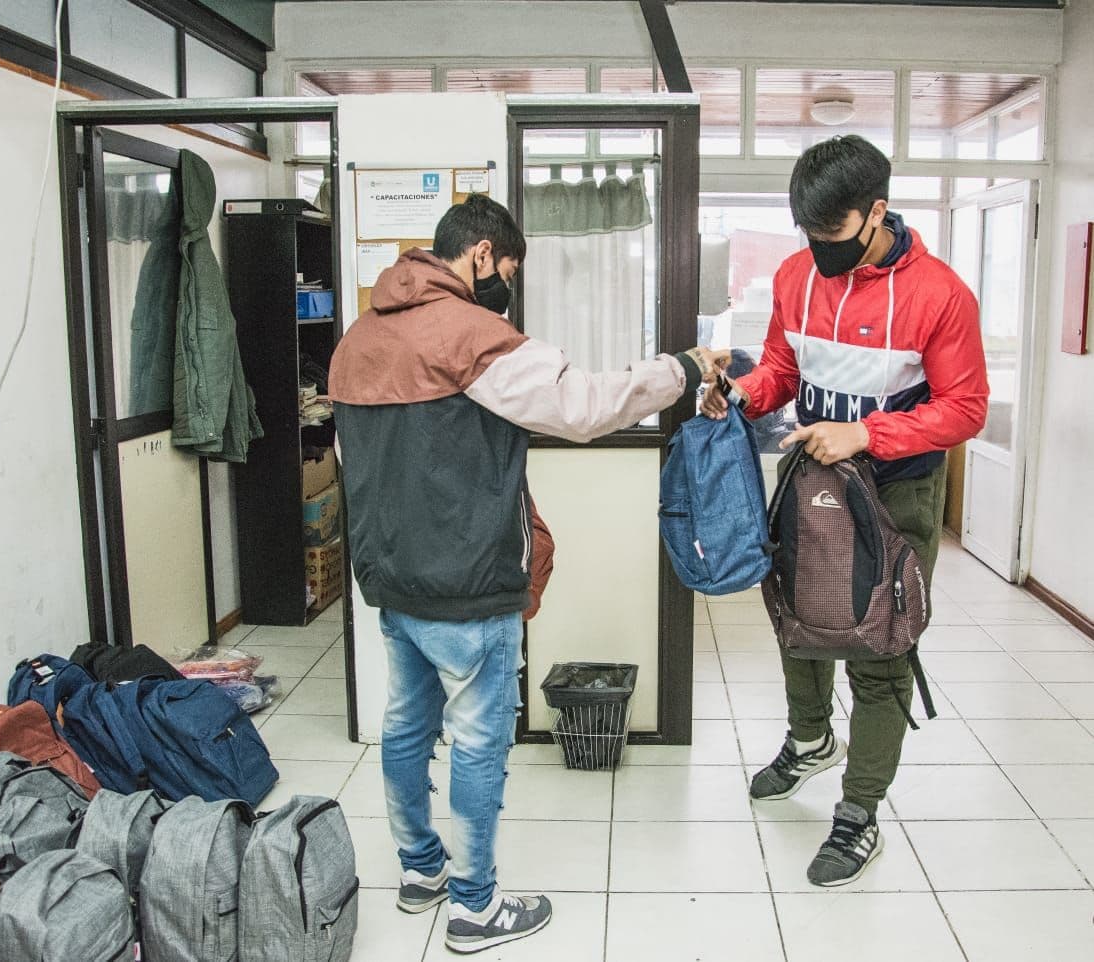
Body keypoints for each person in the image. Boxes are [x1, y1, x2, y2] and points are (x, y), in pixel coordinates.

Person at [329, 193, 727, 953]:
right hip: (469, 581)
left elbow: (356, 462)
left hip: (390, 577)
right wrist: (678, 369)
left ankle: (420, 871)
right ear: (482, 254)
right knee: (479, 740)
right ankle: (475, 907)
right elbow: (582, 407)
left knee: (406, 724)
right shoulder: (471, 334)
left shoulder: (357, 339)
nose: (504, 286)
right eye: (507, 271)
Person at [703, 134, 989, 886]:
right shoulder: (797, 275)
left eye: (833, 232)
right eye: (809, 232)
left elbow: (966, 407)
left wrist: (867, 433)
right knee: (799, 619)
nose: (819, 247)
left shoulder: (941, 295)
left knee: (878, 645)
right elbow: (781, 370)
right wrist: (738, 392)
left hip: (897, 491)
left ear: (877, 211)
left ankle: (860, 811)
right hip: (812, 478)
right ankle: (810, 741)